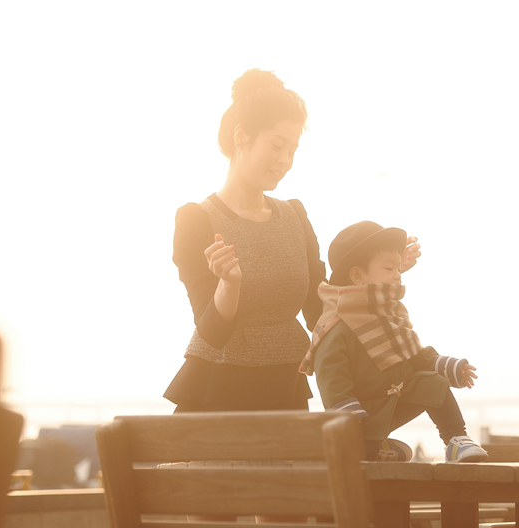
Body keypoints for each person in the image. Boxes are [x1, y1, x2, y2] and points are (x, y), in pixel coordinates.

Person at [164, 69, 421, 412]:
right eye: (276, 145)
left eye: (293, 149)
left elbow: (323, 310)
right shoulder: (196, 220)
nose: (285, 160)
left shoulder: (294, 215)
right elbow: (212, 333)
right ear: (241, 136)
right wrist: (229, 283)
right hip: (215, 395)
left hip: (286, 388)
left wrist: (381, 273)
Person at [299, 221, 488, 463]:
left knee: (433, 382)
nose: (398, 274)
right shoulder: (338, 324)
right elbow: (331, 375)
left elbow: (413, 355)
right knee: (358, 454)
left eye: (398, 268)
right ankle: (375, 447)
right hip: (362, 415)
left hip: (394, 399)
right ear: (357, 275)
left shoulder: (388, 317)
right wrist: (346, 412)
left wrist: (448, 366)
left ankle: (456, 439)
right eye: (389, 268)